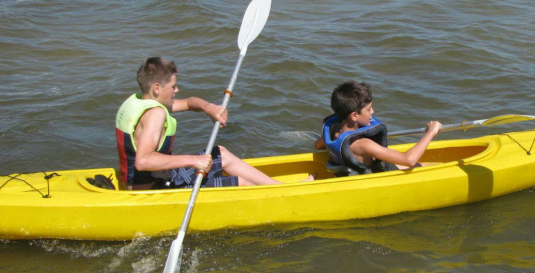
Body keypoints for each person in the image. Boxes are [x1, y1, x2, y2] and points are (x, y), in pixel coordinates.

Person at [116, 57, 313, 190]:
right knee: (240, 183)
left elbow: (189, 102)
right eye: (173, 86)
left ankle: (278, 188)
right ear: (157, 88)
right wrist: (193, 160)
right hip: (155, 191)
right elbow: (143, 161)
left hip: (157, 179)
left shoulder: (139, 101)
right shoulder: (155, 113)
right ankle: (281, 197)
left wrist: (208, 107)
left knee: (220, 152)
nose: (177, 90)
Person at [314, 81, 442, 176]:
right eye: (368, 109)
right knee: (438, 168)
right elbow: (409, 160)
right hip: (383, 173)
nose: (373, 112)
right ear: (354, 115)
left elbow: (318, 145)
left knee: (431, 165)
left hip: (354, 171)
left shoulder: (333, 130)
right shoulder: (362, 144)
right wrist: (431, 132)